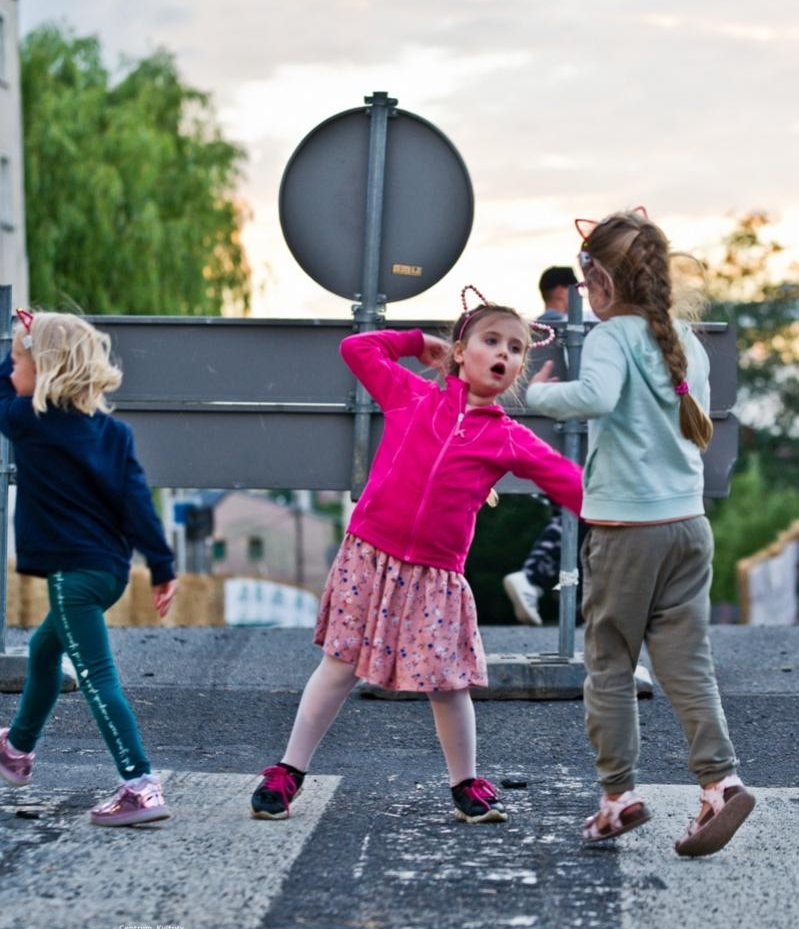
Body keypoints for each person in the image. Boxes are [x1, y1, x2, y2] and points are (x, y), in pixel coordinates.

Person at [250, 289, 583, 825]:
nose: (504, 353)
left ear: (520, 367)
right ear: (460, 351)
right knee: (338, 668)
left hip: (436, 575)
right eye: (491, 340)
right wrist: (415, 342)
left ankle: (466, 784)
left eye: (516, 348)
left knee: (447, 685)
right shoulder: (409, 394)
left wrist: (623, 512)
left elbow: (568, 481)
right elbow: (357, 350)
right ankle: (288, 771)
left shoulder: (507, 438)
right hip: (370, 557)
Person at [526, 210, 755, 856]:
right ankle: (719, 784)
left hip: (627, 530)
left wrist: (536, 397)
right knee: (687, 665)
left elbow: (594, 397)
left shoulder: (610, 335)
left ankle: (617, 797)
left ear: (596, 278)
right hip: (686, 524)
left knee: (608, 665)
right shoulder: (681, 337)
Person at [0, 311, 177, 827]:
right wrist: (162, 566)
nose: (11, 372)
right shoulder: (113, 433)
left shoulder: (26, 422)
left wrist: (24, 341)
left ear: (46, 368)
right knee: (42, 648)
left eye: (18, 362)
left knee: (98, 679)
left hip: (71, 577)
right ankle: (17, 748)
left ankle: (140, 786)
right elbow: (137, 503)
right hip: (109, 573)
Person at [503, 266, 579, 626]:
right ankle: (532, 577)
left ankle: (536, 580)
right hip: (566, 443)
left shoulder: (529, 336)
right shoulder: (569, 333)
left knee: (570, 516)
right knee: (579, 513)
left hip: (529, 444)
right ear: (564, 291)